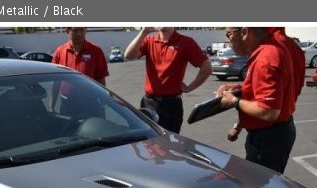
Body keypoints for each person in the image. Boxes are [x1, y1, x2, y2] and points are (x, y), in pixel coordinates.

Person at [218, 27, 296, 174]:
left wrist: (234, 101)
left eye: (229, 34)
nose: (228, 40)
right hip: (271, 134)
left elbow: (269, 111)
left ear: (245, 32)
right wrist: (239, 89)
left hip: (268, 138)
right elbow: (258, 92)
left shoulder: (265, 59)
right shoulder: (268, 50)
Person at [125, 27, 211, 134]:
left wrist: (189, 88)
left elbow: (206, 68)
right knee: (149, 145)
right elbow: (128, 55)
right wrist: (144, 32)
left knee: (170, 145)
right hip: (148, 103)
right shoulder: (149, 41)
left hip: (171, 105)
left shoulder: (185, 42)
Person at [268, 27, 305, 103]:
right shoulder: (296, 48)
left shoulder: (270, 44)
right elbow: (300, 82)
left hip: (271, 108)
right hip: (288, 106)